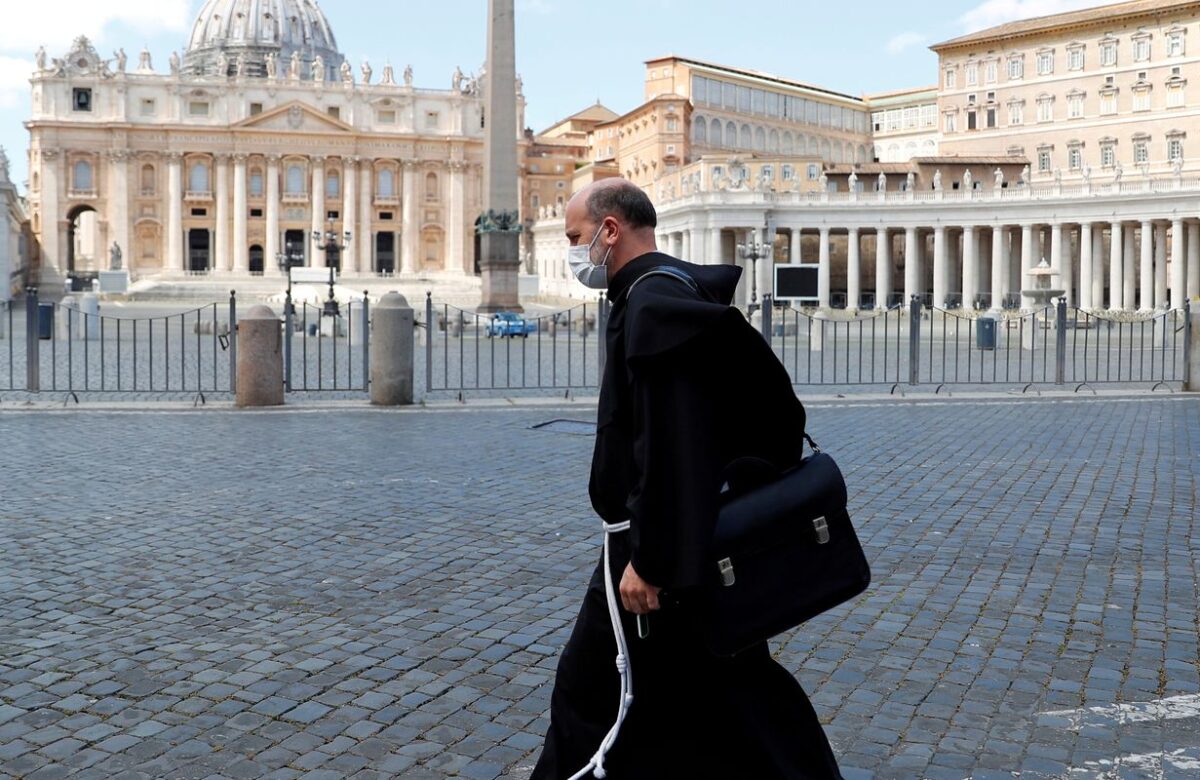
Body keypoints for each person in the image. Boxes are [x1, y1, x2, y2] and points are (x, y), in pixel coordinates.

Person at [532, 178, 843, 779]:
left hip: (657, 544)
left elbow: (675, 444)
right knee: (724, 685)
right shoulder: (670, 289)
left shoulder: (652, 307)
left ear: (610, 230)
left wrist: (649, 559)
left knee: (588, 689)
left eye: (576, 237)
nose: (574, 251)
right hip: (686, 533)